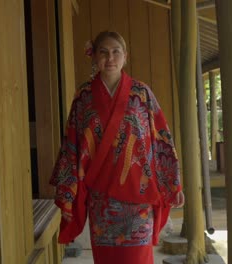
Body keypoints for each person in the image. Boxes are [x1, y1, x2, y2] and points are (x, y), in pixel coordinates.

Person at [49, 31, 184, 264]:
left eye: (115, 52)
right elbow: (72, 144)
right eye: (103, 52)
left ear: (125, 57)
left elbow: (160, 139)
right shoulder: (83, 97)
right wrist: (67, 191)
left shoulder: (142, 94)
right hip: (102, 201)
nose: (110, 58)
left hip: (138, 197)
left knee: (138, 258)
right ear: (94, 57)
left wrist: (173, 183)